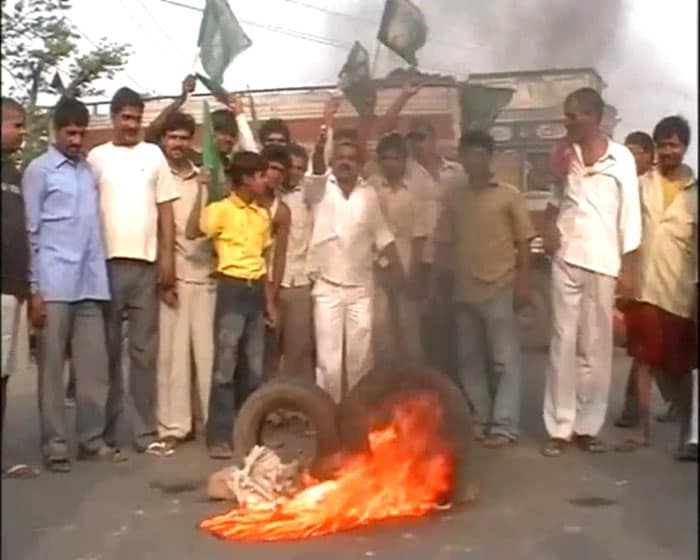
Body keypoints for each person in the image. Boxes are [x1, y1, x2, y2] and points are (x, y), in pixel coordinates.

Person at [541, 88, 641, 457]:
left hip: (605, 260)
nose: (566, 122)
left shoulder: (622, 159)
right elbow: (554, 200)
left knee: (595, 347)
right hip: (567, 256)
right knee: (561, 341)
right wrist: (550, 230)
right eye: (565, 116)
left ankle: (588, 426)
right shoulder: (564, 155)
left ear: (594, 118)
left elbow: (630, 214)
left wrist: (630, 267)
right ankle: (559, 427)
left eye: (573, 116)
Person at [23, 97, 116, 471]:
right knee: (51, 372)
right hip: (54, 283)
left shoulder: (87, 171)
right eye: (70, 133)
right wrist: (35, 288)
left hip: (91, 283)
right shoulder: (39, 171)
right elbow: (31, 230)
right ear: (56, 132)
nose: (76, 140)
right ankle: (56, 446)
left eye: (81, 133)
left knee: (93, 370)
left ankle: (91, 440)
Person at [87, 87, 180, 457]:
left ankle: (144, 432)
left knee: (144, 353)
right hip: (105, 265)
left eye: (136, 117)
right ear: (113, 118)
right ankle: (107, 433)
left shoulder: (153, 155)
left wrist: (168, 262)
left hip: (145, 265)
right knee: (107, 352)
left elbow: (167, 212)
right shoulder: (96, 158)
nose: (130, 124)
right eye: (124, 117)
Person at [435, 130, 535, 446]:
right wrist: (437, 286)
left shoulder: (508, 195)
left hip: (500, 287)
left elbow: (524, 244)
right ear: (462, 157)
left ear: (489, 157)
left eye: (481, 153)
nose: (474, 159)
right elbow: (444, 244)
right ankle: (480, 417)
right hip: (464, 291)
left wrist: (524, 284)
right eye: (469, 153)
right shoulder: (455, 198)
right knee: (469, 360)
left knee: (504, 360)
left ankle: (505, 425)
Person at [616, 116, 697, 453]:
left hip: (680, 290)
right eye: (662, 145)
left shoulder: (694, 193)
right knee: (645, 361)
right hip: (645, 288)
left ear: (685, 148)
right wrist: (625, 276)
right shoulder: (640, 185)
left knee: (680, 368)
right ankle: (643, 432)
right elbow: (627, 232)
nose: (668, 152)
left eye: (674, 145)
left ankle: (689, 435)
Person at [306, 139, 404, 404]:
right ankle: (329, 417)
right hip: (327, 287)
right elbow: (315, 170)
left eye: (351, 158)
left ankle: (357, 417)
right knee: (329, 364)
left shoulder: (368, 194)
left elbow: (383, 236)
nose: (345, 162)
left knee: (361, 362)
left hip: (361, 289)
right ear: (332, 162)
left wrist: (401, 275)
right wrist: (319, 146)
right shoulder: (319, 189)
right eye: (340, 158)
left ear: (360, 164)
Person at [194, 151, 276, 460]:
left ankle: (249, 436)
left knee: (253, 369)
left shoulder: (262, 214)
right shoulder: (220, 210)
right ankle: (219, 436)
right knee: (225, 368)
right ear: (244, 179)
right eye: (258, 175)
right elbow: (195, 231)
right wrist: (203, 189)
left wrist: (269, 303)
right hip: (231, 287)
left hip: (255, 289)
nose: (264, 180)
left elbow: (265, 259)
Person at [151, 111, 216, 455]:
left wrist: (207, 186)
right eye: (171, 137)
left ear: (192, 141)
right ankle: (175, 426)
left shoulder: (205, 178)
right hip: (172, 276)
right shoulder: (158, 177)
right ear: (163, 141)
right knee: (173, 357)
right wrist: (165, 275)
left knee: (206, 354)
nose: (177, 144)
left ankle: (211, 423)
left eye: (183, 138)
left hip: (205, 275)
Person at [615, 131, 677, 428]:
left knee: (651, 348)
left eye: (637, 151)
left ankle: (639, 411)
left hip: (661, 279)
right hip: (634, 278)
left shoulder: (654, 187)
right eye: (627, 150)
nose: (631, 156)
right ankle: (647, 407)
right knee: (644, 347)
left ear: (650, 155)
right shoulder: (628, 185)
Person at [368, 133, 430, 366]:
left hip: (407, 265)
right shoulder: (371, 187)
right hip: (376, 265)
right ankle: (386, 389)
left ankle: (415, 385)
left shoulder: (416, 189)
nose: (391, 164)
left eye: (396, 158)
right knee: (381, 330)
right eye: (385, 159)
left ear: (404, 160)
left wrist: (414, 272)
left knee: (409, 330)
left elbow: (420, 234)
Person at [1, 97, 39, 479]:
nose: (23, 132)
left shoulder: (14, 173)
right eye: (17, 125)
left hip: (12, 290)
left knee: (5, 376)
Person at [271, 143, 316, 380]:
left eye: (301, 167)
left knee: (298, 352)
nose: (295, 172)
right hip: (269, 283)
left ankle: (298, 410)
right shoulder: (268, 194)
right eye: (291, 167)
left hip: (299, 283)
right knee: (269, 352)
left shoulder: (310, 195)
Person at [260, 145, 292, 380]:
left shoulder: (282, 210)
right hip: (242, 280)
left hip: (269, 282)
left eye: (280, 171)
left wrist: (273, 294)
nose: (275, 174)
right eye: (271, 168)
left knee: (271, 350)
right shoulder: (246, 201)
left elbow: (280, 255)